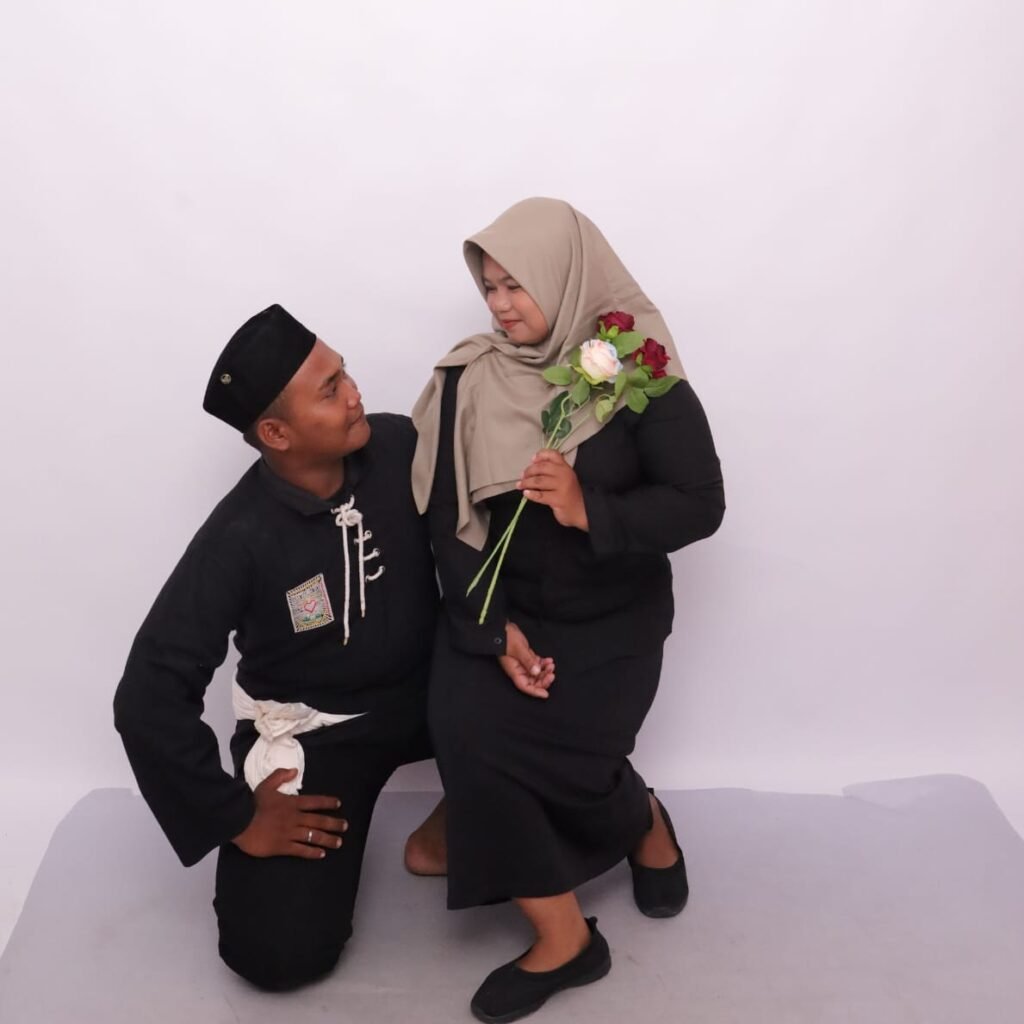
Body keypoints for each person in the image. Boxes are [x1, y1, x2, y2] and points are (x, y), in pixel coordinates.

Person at [412, 198, 725, 1022]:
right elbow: (446, 516)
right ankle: (567, 940)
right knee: (468, 729)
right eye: (489, 287)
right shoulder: (469, 377)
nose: (500, 305)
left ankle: (639, 817)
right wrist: (491, 629)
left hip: (611, 625)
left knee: (573, 764)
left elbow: (702, 503)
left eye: (516, 284)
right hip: (505, 611)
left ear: (566, 276)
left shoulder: (637, 369)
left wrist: (591, 508)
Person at [114, 304, 445, 991]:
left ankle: (484, 805)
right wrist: (235, 817)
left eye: (344, 372)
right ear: (276, 433)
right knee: (275, 955)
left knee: (544, 693)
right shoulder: (237, 537)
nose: (354, 392)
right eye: (330, 389)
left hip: (439, 698)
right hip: (323, 732)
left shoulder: (399, 445)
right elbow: (148, 695)